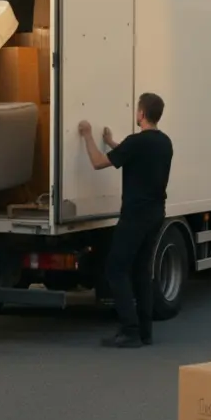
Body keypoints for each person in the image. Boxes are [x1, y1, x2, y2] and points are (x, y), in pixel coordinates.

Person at [78, 93, 172, 348]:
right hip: (156, 214)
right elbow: (134, 156)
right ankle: (145, 332)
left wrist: (87, 135)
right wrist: (111, 142)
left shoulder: (136, 143)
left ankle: (129, 330)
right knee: (141, 271)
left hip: (135, 216)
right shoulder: (164, 142)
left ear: (141, 114)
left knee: (116, 269)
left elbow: (98, 163)